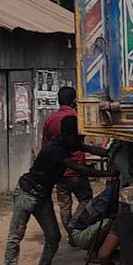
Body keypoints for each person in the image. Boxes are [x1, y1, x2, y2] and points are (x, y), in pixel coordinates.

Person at [4, 115, 110, 265]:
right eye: (78, 137)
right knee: (15, 236)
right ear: (66, 134)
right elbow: (79, 169)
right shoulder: (54, 149)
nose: (80, 141)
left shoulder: (68, 143)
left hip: (42, 196)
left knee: (53, 236)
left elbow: (89, 148)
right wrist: (110, 175)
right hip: (26, 193)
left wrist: (110, 153)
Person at [40, 86, 91, 230]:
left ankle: (69, 231)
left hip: (59, 171)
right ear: (74, 100)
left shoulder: (50, 120)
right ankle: (75, 226)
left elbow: (45, 146)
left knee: (64, 204)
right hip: (76, 168)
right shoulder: (77, 118)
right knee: (86, 198)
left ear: (58, 100)